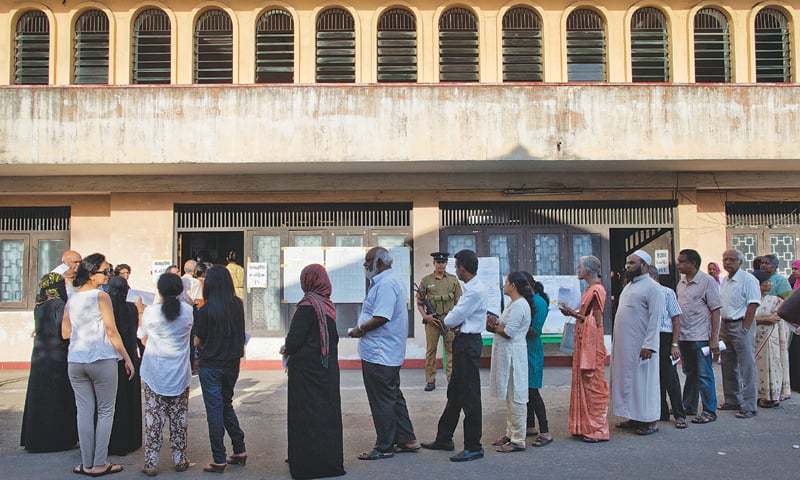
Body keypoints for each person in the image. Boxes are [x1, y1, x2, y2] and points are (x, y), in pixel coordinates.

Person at [62, 253, 135, 477]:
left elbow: (65, 333)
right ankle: (100, 463)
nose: (108, 275)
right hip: (101, 358)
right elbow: (112, 331)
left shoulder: (71, 298)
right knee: (105, 411)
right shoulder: (101, 297)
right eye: (105, 271)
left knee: (83, 411)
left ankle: (86, 464)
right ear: (92, 274)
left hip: (76, 360)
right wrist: (127, 357)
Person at [349, 247, 418, 461]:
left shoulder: (386, 284)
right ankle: (407, 438)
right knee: (392, 395)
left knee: (382, 401)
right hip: (386, 351)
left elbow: (381, 317)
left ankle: (384, 446)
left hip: (380, 353)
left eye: (368, 261)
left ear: (379, 263)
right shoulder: (386, 282)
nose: (365, 266)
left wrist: (359, 330)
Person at [422, 249, 487, 462]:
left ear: (462, 268)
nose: (453, 269)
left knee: (469, 396)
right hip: (462, 342)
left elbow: (453, 318)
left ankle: (473, 446)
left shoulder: (474, 291)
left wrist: (449, 320)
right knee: (455, 393)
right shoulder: (470, 288)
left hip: (468, 344)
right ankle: (444, 438)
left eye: (456, 265)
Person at [283, 265, 345, 479]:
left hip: (305, 374)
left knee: (305, 416)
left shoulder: (307, 305)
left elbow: (294, 340)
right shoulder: (328, 306)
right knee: (325, 416)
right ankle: (329, 463)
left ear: (307, 281)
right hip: (326, 373)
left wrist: (286, 349)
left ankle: (307, 464)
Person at [139, 273, 194, 476]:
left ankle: (151, 461)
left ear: (159, 290)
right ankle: (179, 457)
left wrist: (139, 313)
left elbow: (142, 338)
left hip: (154, 371)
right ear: (180, 290)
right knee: (179, 417)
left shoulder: (150, 313)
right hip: (180, 372)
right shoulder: (188, 311)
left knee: (153, 417)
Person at [194, 266, 247, 473]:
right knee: (226, 404)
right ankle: (239, 448)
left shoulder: (205, 311)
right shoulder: (237, 305)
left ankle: (219, 458)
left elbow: (198, 340)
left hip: (211, 366)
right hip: (232, 365)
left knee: (214, 410)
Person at [20, 273, 78, 453]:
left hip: (39, 356)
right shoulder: (59, 305)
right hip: (56, 357)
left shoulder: (40, 305)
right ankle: (56, 440)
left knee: (39, 398)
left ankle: (36, 439)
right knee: (57, 398)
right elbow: (65, 332)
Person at [611, 250, 664, 436]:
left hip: (642, 345)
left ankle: (650, 420)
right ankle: (633, 416)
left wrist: (649, 344)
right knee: (629, 381)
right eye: (627, 263)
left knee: (645, 382)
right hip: (626, 346)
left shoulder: (653, 288)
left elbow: (656, 318)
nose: (627, 266)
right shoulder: (628, 287)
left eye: (632, 263)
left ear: (644, 265)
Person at [561, 255, 610, 443]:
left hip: (592, 343)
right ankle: (583, 426)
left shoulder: (597, 290)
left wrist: (572, 313)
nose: (577, 269)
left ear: (589, 270)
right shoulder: (590, 289)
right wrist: (574, 314)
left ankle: (597, 429)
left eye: (580, 266)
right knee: (584, 384)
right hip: (585, 341)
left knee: (593, 385)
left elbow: (596, 322)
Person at [676, 249, 722, 425]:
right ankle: (689, 406)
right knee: (690, 372)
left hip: (701, 336)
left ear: (693, 263)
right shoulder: (681, 282)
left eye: (682, 262)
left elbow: (715, 310)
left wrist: (714, 339)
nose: (678, 264)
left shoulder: (707, 281)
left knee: (704, 374)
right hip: (684, 335)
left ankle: (710, 411)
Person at [488, 272, 532, 453]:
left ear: (513, 285)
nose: (504, 285)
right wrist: (495, 323)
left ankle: (518, 439)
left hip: (514, 355)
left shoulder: (520, 305)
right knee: (510, 396)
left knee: (517, 397)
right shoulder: (513, 304)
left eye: (506, 282)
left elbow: (508, 332)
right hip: (508, 354)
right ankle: (510, 433)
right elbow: (504, 326)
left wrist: (491, 325)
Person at [719, 249, 761, 419]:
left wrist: (745, 327)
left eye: (731, 260)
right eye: (725, 259)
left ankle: (750, 405)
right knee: (727, 364)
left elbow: (753, 304)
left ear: (740, 262)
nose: (727, 262)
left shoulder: (748, 279)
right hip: (725, 325)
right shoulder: (724, 281)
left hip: (741, 324)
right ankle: (732, 399)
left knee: (746, 366)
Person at [106, 276, 143, 456]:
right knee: (129, 399)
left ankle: (110, 441)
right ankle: (130, 440)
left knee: (109, 403)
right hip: (129, 356)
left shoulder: (106, 310)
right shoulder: (131, 309)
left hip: (111, 357)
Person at [648, 266, 687, 429]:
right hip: (649, 337)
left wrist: (674, 344)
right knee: (653, 377)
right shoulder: (643, 293)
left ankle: (679, 414)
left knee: (670, 377)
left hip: (665, 336)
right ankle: (661, 411)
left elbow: (676, 319)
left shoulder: (667, 292)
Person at [417, 252, 461, 391]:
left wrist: (456, 321)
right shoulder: (426, 281)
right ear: (434, 263)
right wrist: (425, 316)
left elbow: (459, 302)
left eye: (443, 262)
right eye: (438, 262)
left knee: (451, 350)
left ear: (446, 263)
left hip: (449, 320)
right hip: (432, 321)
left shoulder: (453, 280)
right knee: (431, 351)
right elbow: (419, 302)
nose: (441, 265)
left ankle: (452, 379)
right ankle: (430, 380)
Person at [521, 272, 551, 447]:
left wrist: (511, 328)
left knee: (532, 391)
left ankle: (545, 431)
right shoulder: (530, 300)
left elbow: (534, 331)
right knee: (526, 389)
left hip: (531, 350)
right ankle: (530, 425)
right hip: (527, 349)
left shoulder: (538, 302)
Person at [760, 254, 793, 401]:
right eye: (762, 263)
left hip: (775, 324)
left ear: (774, 266)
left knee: (776, 357)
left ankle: (778, 391)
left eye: (767, 263)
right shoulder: (758, 279)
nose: (763, 265)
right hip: (760, 323)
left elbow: (787, 301)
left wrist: (774, 314)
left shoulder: (780, 281)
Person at [752, 270, 784, 408]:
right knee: (756, 366)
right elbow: (744, 318)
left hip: (771, 338)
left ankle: (773, 396)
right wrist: (764, 319)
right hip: (754, 338)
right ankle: (759, 395)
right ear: (757, 285)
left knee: (773, 364)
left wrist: (759, 320)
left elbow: (776, 318)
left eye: (770, 282)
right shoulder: (751, 300)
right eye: (766, 282)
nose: (769, 284)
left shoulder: (775, 300)